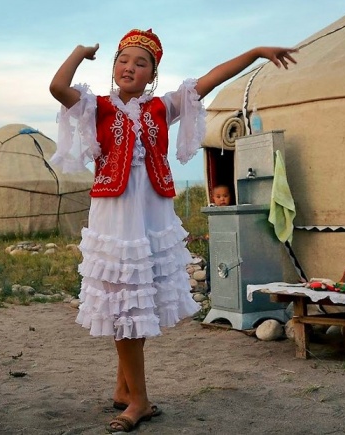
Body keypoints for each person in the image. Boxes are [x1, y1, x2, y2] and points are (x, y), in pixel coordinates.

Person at [49, 28, 297, 433]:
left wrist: (254, 52)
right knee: (124, 303)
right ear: (113, 67)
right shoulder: (96, 107)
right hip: (115, 215)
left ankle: (125, 389)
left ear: (152, 75)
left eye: (140, 63)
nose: (130, 67)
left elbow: (211, 79)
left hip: (152, 215)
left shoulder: (163, 107)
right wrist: (80, 51)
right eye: (123, 60)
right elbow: (58, 87)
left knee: (139, 301)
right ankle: (139, 400)